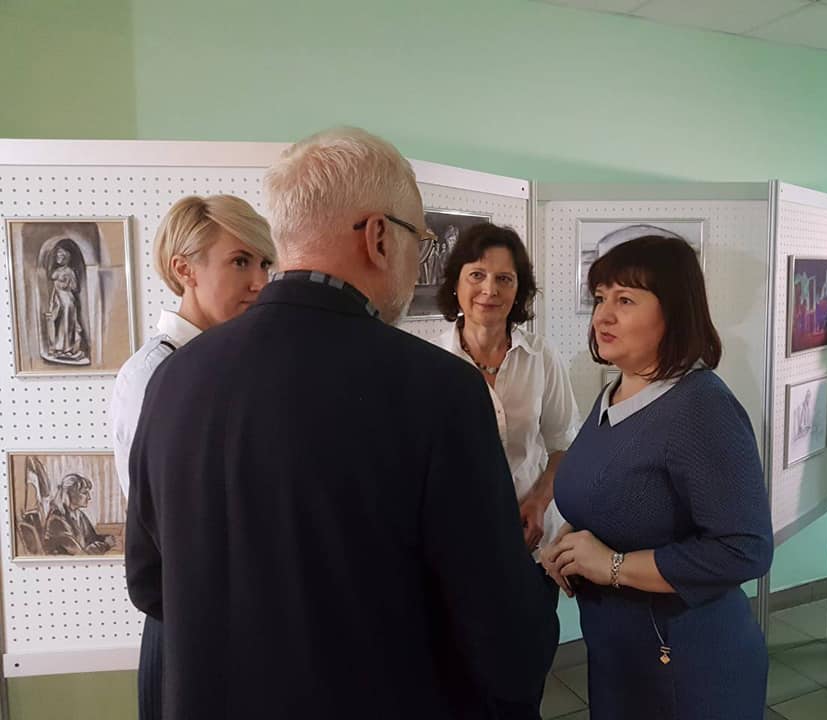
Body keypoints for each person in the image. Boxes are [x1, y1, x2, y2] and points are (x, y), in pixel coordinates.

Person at [124, 128, 557, 719]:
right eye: (420, 240)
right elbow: (506, 644)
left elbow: (149, 582)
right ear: (379, 237)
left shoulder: (173, 378)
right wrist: (546, 587)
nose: (418, 260)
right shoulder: (440, 390)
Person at [543, 235, 773, 720]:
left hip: (687, 662)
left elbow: (745, 548)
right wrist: (570, 542)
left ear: (675, 311)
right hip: (619, 654)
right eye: (600, 298)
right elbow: (620, 494)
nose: (603, 316)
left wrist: (611, 565)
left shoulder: (701, 407)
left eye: (625, 300)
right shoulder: (615, 393)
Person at [111, 194, 275, 720]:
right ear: (185, 270)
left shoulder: (243, 368)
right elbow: (160, 521)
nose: (260, 281)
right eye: (240, 261)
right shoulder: (152, 373)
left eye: (265, 263)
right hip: (189, 621)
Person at [431, 223, 578, 719]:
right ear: (456, 282)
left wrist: (538, 500)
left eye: (504, 279)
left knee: (523, 674)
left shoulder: (541, 357)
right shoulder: (430, 362)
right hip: (457, 552)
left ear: (519, 290)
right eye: (477, 275)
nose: (489, 290)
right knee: (461, 681)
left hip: (530, 545)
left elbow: (564, 443)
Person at [43, 473, 115, 555]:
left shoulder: (79, 515)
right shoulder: (56, 520)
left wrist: (105, 538)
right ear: (71, 494)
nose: (89, 497)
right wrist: (106, 545)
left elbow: (91, 538)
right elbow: (82, 555)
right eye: (84, 493)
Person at [45, 244, 87, 362]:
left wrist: (66, 283)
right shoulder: (56, 271)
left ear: (66, 258)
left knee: (68, 324)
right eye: (57, 256)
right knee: (58, 324)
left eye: (61, 256)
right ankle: (58, 348)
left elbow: (75, 288)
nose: (59, 258)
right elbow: (54, 284)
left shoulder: (69, 271)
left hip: (67, 301)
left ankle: (68, 348)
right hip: (58, 301)